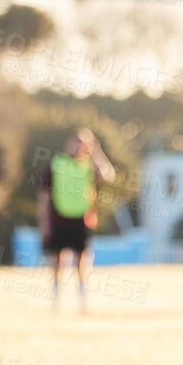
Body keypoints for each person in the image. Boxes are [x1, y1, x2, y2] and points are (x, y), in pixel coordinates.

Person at [38, 129, 116, 312]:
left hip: (81, 220)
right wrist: (44, 222)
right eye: (77, 142)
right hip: (58, 219)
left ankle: (82, 301)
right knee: (57, 262)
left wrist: (96, 151)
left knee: (81, 262)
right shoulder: (57, 164)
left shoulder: (88, 165)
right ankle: (56, 301)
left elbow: (108, 175)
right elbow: (44, 195)